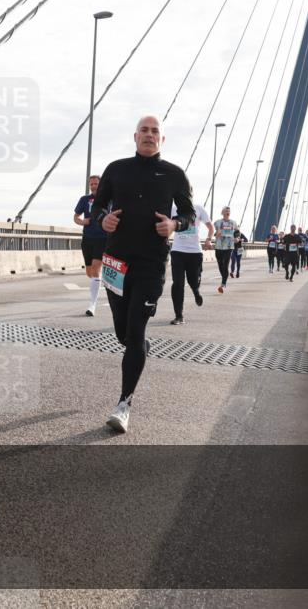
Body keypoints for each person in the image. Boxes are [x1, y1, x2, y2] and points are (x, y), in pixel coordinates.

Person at [91, 115, 195, 433]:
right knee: (123, 334)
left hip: (151, 264)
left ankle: (124, 404)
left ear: (162, 139)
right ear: (135, 136)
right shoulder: (116, 169)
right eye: (144, 131)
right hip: (116, 263)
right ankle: (139, 350)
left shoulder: (174, 174)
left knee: (136, 332)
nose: (150, 135)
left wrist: (174, 224)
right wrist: (103, 220)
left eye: (155, 131)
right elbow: (97, 206)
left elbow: (189, 215)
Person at [168, 200, 212, 325]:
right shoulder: (172, 208)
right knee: (178, 283)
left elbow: (210, 227)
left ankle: (196, 291)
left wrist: (208, 239)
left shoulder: (198, 208)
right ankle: (179, 315)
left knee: (193, 281)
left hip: (195, 252)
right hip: (177, 250)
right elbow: (168, 226)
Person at [73, 175, 108, 316]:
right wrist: (83, 222)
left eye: (96, 184)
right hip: (87, 239)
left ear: (101, 184)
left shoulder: (108, 199)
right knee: (90, 272)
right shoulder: (84, 199)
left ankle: (92, 305)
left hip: (103, 238)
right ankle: (98, 280)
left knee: (95, 269)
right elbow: (76, 217)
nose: (93, 186)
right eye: (91, 184)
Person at [212, 207, 240, 293]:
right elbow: (213, 232)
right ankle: (224, 278)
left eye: (229, 211)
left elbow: (238, 232)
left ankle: (223, 284)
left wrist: (237, 238)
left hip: (229, 246)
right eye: (226, 211)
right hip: (219, 246)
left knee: (225, 265)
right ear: (222, 213)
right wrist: (216, 234)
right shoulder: (217, 222)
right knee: (220, 265)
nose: (228, 212)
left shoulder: (233, 223)